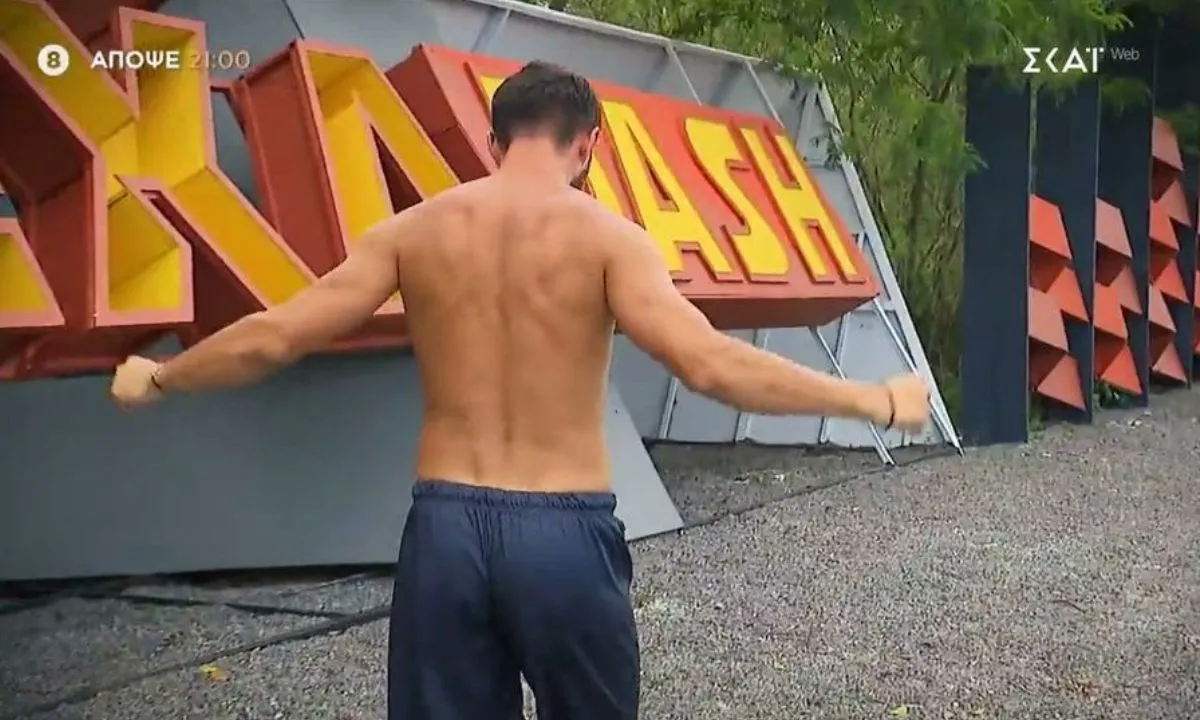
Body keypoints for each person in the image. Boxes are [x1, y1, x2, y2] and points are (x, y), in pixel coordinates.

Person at [109, 61, 931, 720]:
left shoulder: (413, 231)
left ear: (492, 140)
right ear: (590, 144)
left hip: (445, 531)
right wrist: (870, 400)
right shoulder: (609, 240)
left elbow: (277, 334)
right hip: (561, 534)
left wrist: (162, 376)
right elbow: (710, 364)